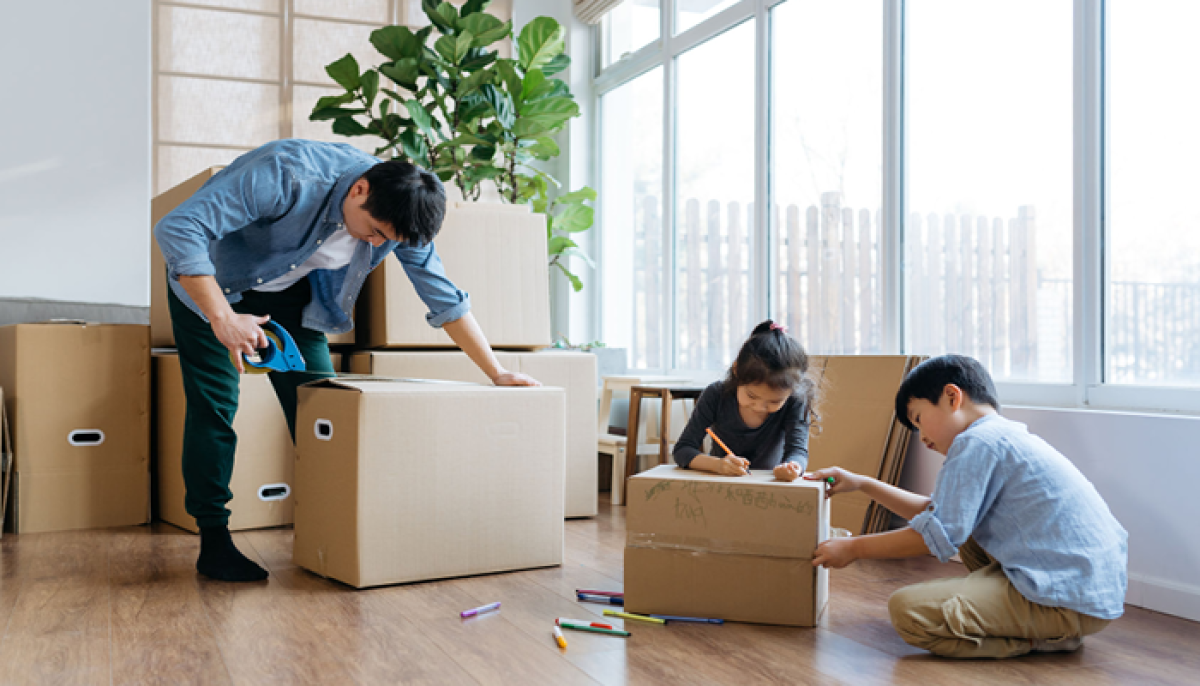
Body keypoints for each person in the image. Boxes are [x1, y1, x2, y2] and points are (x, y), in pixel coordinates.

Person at [155, 139, 539, 583]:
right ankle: (214, 538)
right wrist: (221, 316)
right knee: (216, 407)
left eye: (387, 241)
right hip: (212, 285)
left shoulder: (398, 218)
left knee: (325, 413)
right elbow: (177, 227)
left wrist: (498, 372)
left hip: (294, 299)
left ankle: (338, 535)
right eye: (374, 231)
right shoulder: (289, 174)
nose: (377, 243)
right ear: (358, 190)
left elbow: (442, 296)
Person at [808, 354, 1127, 658]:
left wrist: (853, 548)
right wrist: (862, 483)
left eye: (919, 419)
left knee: (908, 611)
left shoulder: (976, 442)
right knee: (961, 523)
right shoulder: (998, 436)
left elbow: (932, 535)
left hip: (1067, 600)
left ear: (951, 396)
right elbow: (939, 513)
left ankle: (1037, 637)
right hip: (1084, 590)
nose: (921, 438)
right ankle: (1021, 616)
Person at [673, 320, 816, 481]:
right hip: (722, 483)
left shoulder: (794, 401)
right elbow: (683, 450)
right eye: (751, 396)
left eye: (774, 402)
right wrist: (718, 465)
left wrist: (793, 467)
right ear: (736, 371)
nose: (759, 407)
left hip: (770, 488)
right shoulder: (717, 394)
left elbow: (798, 452)